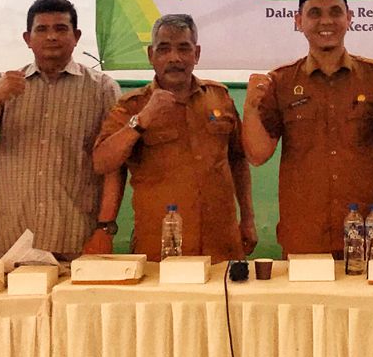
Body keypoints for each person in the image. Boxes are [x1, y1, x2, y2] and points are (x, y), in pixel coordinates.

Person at [241, 0, 373, 256]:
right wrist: (250, 109)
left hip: (369, 232)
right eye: (314, 13)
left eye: (335, 11)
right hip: (304, 236)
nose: (326, 21)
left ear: (349, 18)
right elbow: (257, 155)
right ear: (298, 21)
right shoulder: (281, 82)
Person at [0, 0, 120, 259]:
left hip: (76, 241)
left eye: (61, 28)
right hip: (14, 243)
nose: (51, 36)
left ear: (76, 36)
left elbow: (114, 166)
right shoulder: (2, 84)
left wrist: (105, 229)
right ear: (27, 38)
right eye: (42, 29)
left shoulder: (102, 88)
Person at [92, 14, 256, 262]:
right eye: (164, 49)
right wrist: (142, 120)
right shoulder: (132, 105)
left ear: (196, 54)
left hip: (222, 244)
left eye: (183, 48)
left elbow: (238, 160)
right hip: (161, 247)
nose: (174, 58)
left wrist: (248, 219)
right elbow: (102, 162)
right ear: (151, 55)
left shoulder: (220, 97)